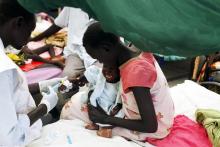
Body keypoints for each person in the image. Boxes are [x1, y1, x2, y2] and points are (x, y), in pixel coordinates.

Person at [80, 22, 174, 141]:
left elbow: (150, 126)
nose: (101, 63)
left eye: (99, 58)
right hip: (160, 116)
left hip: (158, 127)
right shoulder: (136, 46)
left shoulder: (135, 73)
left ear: (106, 48)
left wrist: (105, 119)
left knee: (90, 119)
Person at [0, 0, 64, 146]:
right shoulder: (3, 70)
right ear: (19, 23)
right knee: (53, 120)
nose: (28, 39)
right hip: (17, 135)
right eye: (29, 31)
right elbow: (9, 139)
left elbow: (7, 92)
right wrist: (44, 107)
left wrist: (42, 85)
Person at [30, 7, 96, 79]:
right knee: (67, 76)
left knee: (99, 77)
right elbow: (57, 25)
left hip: (98, 55)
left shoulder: (105, 7)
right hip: (75, 53)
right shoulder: (72, 5)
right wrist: (34, 39)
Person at [61, 64, 124, 138]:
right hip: (95, 101)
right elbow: (88, 77)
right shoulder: (100, 75)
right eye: (105, 66)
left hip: (108, 106)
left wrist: (117, 107)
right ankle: (96, 124)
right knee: (93, 112)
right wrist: (79, 80)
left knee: (107, 118)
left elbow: (120, 98)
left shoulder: (120, 83)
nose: (107, 71)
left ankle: (106, 131)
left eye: (112, 68)